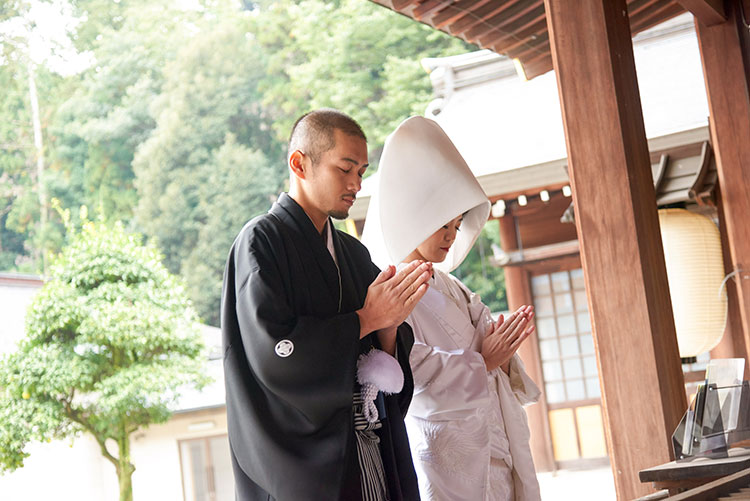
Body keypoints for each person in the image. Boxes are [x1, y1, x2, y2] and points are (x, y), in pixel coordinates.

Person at [221, 109, 430, 500]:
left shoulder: (352, 253)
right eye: (345, 169)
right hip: (306, 464)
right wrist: (365, 320)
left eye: (362, 172)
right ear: (299, 163)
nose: (356, 183)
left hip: (369, 447)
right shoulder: (260, 243)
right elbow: (273, 353)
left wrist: (387, 329)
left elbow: (383, 354)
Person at [362, 116, 542, 501]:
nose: (450, 236)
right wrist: (485, 362)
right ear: (415, 215)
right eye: (443, 223)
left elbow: (489, 351)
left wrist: (503, 353)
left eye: (457, 225)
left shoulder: (451, 285)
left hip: (498, 443)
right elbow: (410, 371)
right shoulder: (390, 289)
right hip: (449, 459)